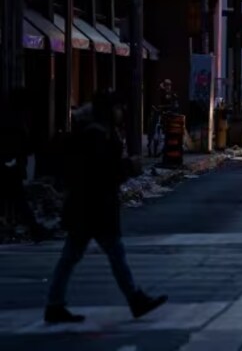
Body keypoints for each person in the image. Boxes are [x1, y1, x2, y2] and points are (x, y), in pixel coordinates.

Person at [44, 90, 167, 323]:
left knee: (75, 257)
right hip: (94, 208)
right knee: (110, 255)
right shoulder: (97, 136)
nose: (121, 113)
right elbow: (100, 173)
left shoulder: (98, 133)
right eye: (118, 108)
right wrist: (128, 167)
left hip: (88, 208)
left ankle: (55, 303)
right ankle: (134, 298)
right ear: (109, 110)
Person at [0, 88, 48, 242]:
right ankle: (34, 229)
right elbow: (17, 145)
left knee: (18, 200)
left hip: (11, 166)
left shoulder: (13, 118)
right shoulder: (14, 120)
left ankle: (33, 229)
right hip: (10, 166)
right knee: (19, 200)